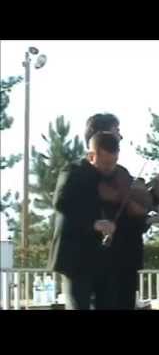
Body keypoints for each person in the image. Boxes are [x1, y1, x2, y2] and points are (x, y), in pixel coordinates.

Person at [83, 113, 159, 309]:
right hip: (105, 258)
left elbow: (134, 208)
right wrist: (148, 218)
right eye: (116, 132)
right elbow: (116, 214)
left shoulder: (120, 173)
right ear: (101, 135)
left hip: (127, 255)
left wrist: (154, 195)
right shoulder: (87, 175)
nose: (120, 137)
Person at [48, 132, 124, 309]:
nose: (110, 168)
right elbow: (61, 202)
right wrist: (93, 223)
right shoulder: (73, 171)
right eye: (105, 163)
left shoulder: (113, 178)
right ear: (91, 156)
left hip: (102, 258)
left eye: (113, 163)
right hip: (76, 256)